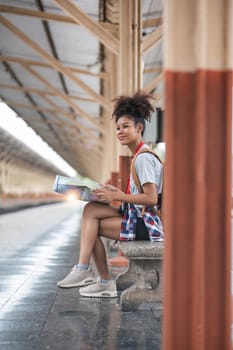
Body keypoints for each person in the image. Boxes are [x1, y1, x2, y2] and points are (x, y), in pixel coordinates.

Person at [57, 91, 163, 298]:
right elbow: (141, 195)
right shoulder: (139, 156)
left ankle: (97, 276)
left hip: (148, 226)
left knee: (91, 227)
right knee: (90, 210)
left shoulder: (143, 159)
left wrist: (117, 198)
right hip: (138, 218)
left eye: (125, 126)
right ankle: (85, 270)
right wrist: (116, 192)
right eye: (117, 128)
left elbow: (151, 199)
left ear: (139, 128)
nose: (120, 131)